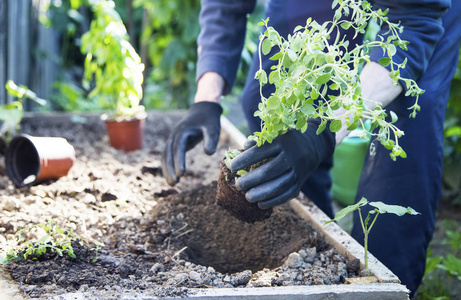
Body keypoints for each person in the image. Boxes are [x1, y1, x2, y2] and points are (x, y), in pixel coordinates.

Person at [161, 0, 461, 296]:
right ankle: (308, 244)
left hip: (419, 11)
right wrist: (206, 97)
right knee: (267, 96)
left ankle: (384, 287)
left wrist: (325, 134)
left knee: (407, 130)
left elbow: (416, 23)